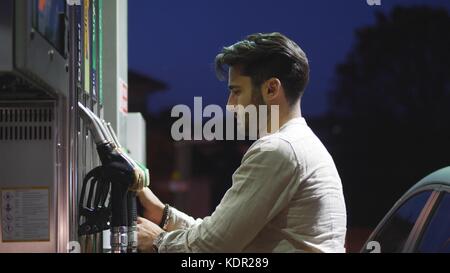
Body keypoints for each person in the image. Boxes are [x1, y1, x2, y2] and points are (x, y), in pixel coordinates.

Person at [136, 32, 347, 253]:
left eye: (237, 91)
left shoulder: (278, 150)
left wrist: (158, 242)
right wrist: (164, 215)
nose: (230, 105)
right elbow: (220, 233)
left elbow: (213, 246)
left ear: (271, 89)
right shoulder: (303, 144)